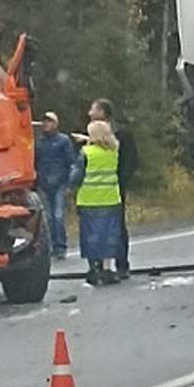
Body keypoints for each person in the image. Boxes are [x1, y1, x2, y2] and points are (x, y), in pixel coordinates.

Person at [73, 98, 139, 279]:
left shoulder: (121, 133)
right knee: (106, 228)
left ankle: (120, 264)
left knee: (113, 228)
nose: (89, 113)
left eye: (93, 110)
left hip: (111, 189)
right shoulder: (104, 141)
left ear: (102, 112)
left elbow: (130, 159)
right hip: (107, 191)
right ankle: (102, 265)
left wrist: (120, 180)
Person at [69, 120, 123, 285]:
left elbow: (76, 177)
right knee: (109, 234)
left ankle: (94, 268)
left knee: (91, 235)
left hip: (90, 200)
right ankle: (108, 268)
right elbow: (103, 144)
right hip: (111, 199)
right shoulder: (113, 151)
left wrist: (69, 187)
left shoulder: (86, 153)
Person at [34, 111, 75, 259]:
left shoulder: (63, 141)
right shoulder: (39, 142)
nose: (46, 124)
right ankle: (50, 246)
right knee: (48, 217)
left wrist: (68, 182)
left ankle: (61, 246)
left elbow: (70, 162)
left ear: (56, 124)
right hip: (43, 183)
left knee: (58, 216)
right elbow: (35, 161)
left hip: (59, 183)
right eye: (45, 121)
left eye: (50, 121)